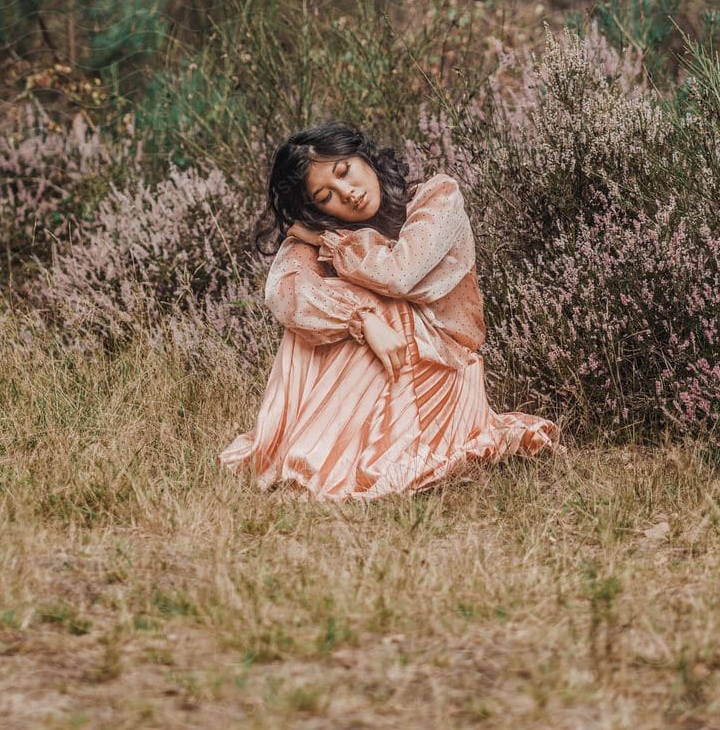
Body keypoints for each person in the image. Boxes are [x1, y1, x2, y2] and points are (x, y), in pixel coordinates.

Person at [219, 120, 560, 501]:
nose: (347, 193)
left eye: (344, 171)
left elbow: (398, 274)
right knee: (330, 306)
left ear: (362, 154)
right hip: (386, 363)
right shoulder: (326, 234)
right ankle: (314, 453)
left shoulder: (437, 197)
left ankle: (330, 458)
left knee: (380, 300)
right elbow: (285, 293)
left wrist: (330, 245)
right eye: (325, 196)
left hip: (440, 369)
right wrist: (360, 322)